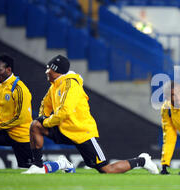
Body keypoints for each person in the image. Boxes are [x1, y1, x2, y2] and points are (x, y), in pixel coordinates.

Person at [22, 55, 159, 174]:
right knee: (35, 126)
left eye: (48, 68)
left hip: (82, 132)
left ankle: (142, 161)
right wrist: (42, 117)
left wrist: (46, 122)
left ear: (56, 70)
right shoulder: (55, 86)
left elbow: (65, 111)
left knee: (106, 170)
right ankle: (38, 166)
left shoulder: (71, 84)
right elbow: (45, 105)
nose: (46, 71)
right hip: (64, 129)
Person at [0, 54, 33, 168]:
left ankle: (60, 164)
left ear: (8, 70)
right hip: (5, 131)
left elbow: (21, 118)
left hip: (21, 135)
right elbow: (0, 109)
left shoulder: (19, 88)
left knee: (32, 168)